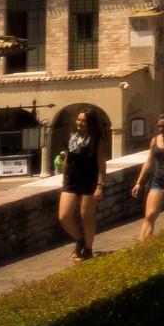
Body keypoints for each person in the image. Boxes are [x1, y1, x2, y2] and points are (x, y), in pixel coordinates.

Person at [54, 110, 103, 261]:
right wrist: (63, 176)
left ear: (91, 123)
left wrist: (100, 185)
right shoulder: (71, 136)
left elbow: (101, 164)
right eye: (78, 120)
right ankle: (79, 239)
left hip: (89, 180)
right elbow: (67, 158)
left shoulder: (97, 140)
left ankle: (88, 249)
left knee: (86, 217)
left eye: (84, 121)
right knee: (64, 216)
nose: (80, 123)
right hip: (71, 181)